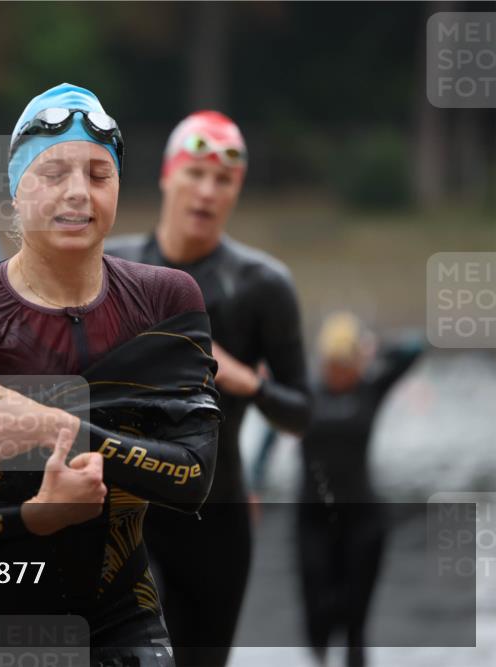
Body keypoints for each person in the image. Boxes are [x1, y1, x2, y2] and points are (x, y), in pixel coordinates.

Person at [0, 84, 223, 667]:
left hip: (121, 617)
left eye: (99, 174)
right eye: (54, 173)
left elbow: (193, 476)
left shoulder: (166, 303)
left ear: (119, 188)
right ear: (15, 190)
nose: (78, 192)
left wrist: (59, 425)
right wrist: (36, 516)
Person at [106, 111, 311, 667]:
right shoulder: (112, 267)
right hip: (125, 512)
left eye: (223, 181)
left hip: (216, 517)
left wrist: (245, 380)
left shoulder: (262, 285)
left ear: (237, 190)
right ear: (167, 176)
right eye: (195, 173)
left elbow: (303, 413)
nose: (206, 191)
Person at [293, 312, 424, 667]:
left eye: (344, 364)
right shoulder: (304, 391)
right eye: (330, 364)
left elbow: (415, 345)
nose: (337, 372)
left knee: (355, 626)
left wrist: (373, 347)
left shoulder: (371, 387)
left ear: (356, 362)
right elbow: (264, 443)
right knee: (318, 620)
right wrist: (255, 486)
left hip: (363, 520)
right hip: (314, 519)